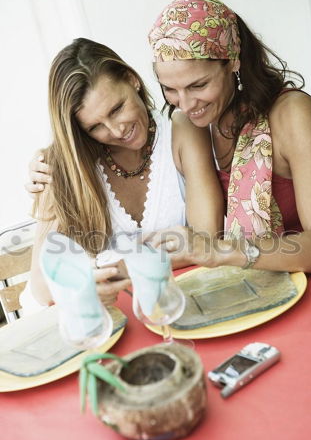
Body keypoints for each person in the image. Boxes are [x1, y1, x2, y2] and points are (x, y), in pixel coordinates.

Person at [25, 37, 223, 311]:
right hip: (116, 318)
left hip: (185, 303)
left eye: (117, 109)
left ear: (132, 79)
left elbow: (206, 240)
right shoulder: (61, 166)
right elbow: (41, 287)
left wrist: (108, 269)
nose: (116, 130)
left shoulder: (182, 129)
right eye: (95, 127)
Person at [144, 0, 311, 272]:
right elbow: (204, 245)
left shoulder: (292, 114)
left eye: (198, 85)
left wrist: (223, 250)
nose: (186, 104)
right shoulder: (193, 125)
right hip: (257, 290)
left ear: (233, 60)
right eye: (170, 89)